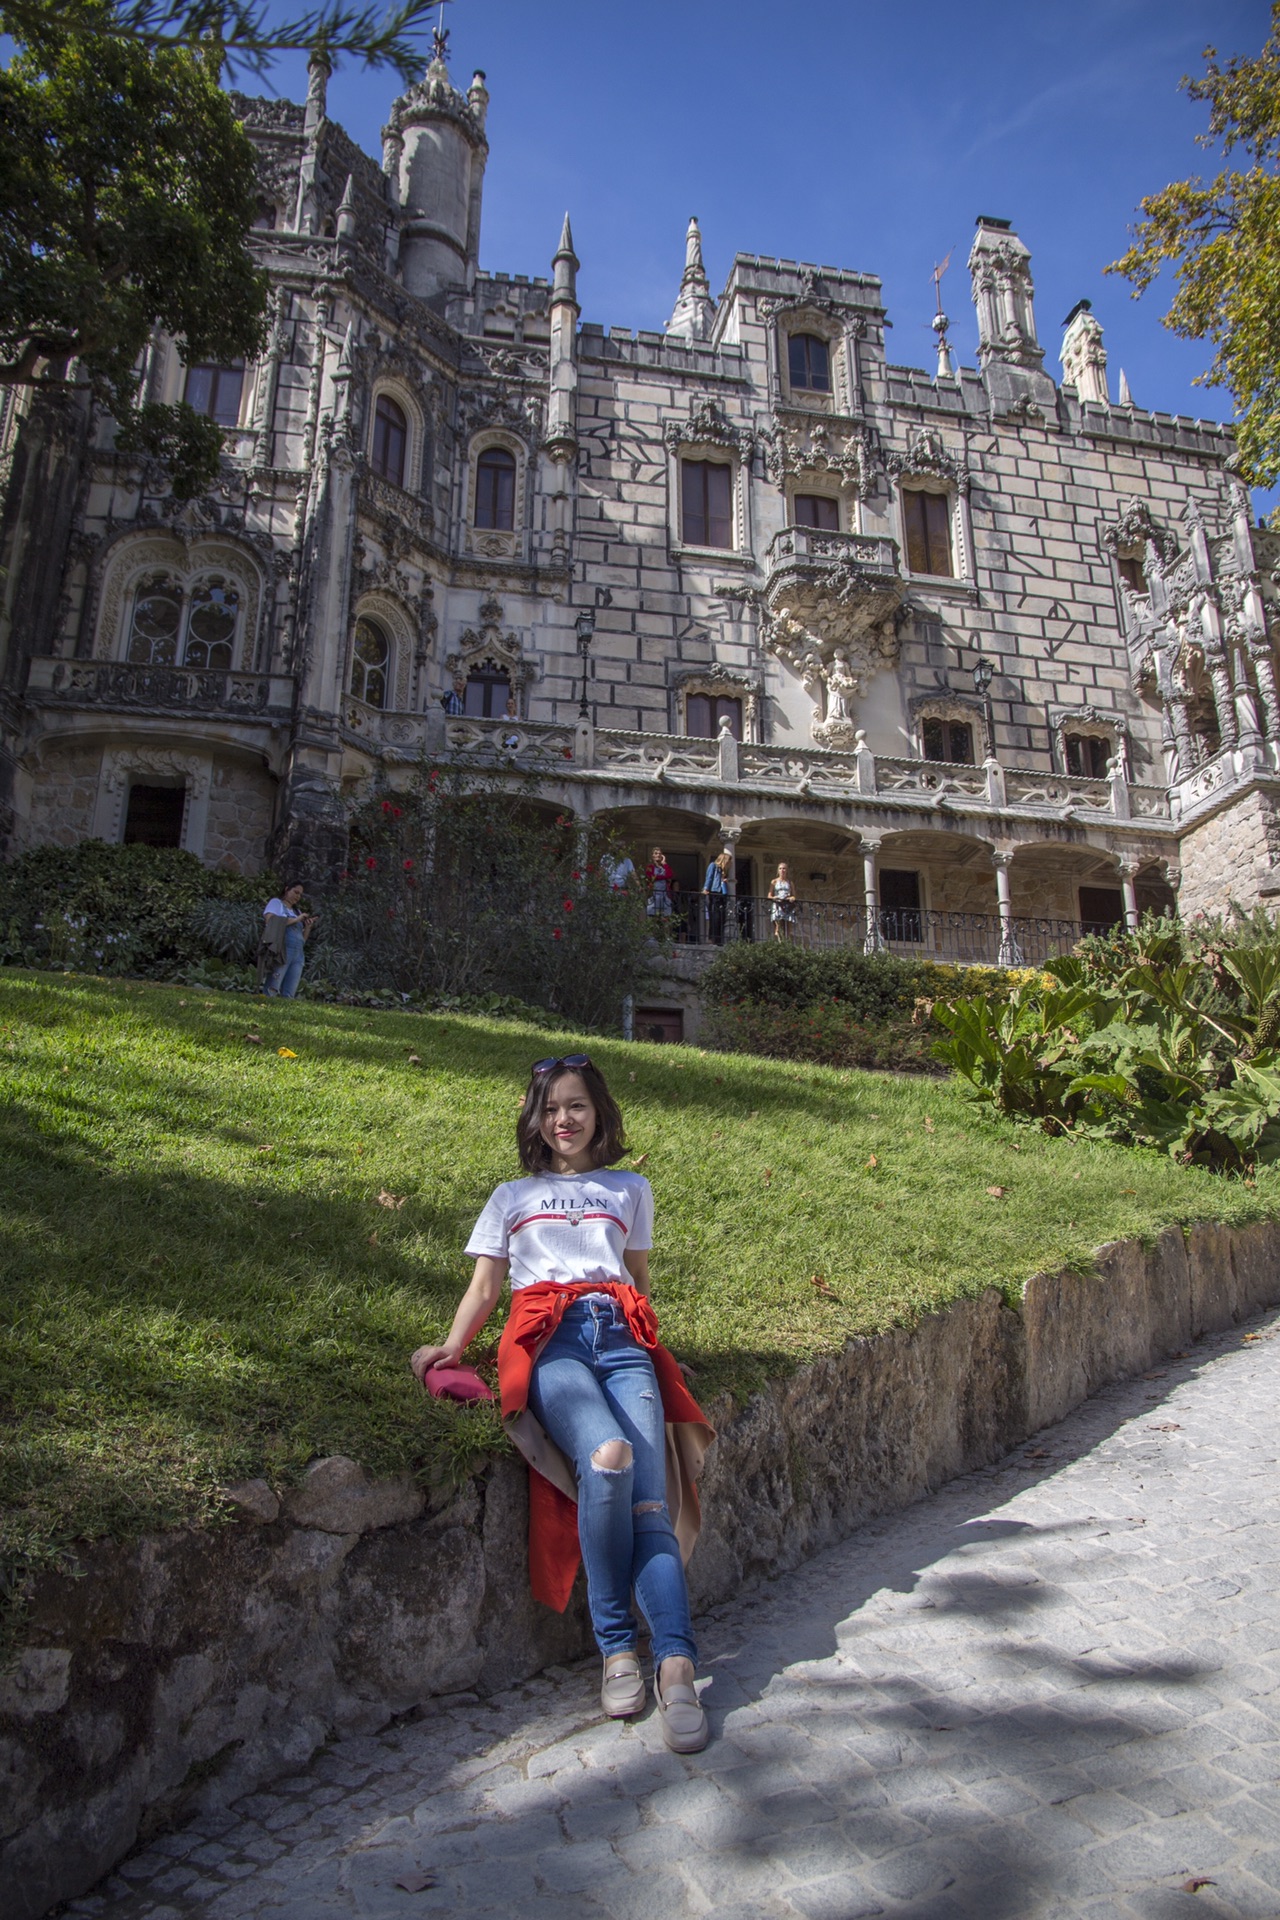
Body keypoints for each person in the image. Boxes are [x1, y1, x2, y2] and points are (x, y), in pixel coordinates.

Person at [409, 1055, 714, 1753]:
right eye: (550, 1110)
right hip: (552, 1341)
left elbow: (635, 1278)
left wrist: (660, 1352)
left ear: (598, 1113)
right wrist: (452, 1348)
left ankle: (675, 1665)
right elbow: (487, 1288)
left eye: (575, 1106)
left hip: (621, 1338)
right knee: (607, 1458)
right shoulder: (512, 1196)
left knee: (648, 1503)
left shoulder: (630, 1187)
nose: (563, 1120)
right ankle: (615, 1648)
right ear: (535, 1122)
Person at [260, 881, 314, 997]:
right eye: (296, 892)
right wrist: (296, 920)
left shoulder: (296, 911)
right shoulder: (276, 903)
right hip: (282, 951)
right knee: (273, 986)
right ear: (287, 889)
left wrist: (308, 928)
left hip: (298, 954)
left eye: (300, 895)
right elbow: (270, 920)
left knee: (290, 991)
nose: (298, 896)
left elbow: (301, 940)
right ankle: (266, 1007)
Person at [702, 849, 731, 945]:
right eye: (728, 861)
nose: (729, 864)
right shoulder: (713, 866)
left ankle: (719, 940)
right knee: (715, 917)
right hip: (714, 894)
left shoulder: (723, 871)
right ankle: (712, 939)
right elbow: (709, 877)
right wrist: (706, 888)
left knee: (721, 918)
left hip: (722, 895)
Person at [768, 860, 797, 941]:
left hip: (787, 904)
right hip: (778, 904)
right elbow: (769, 895)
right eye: (780, 868)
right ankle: (780, 943)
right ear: (778, 870)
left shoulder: (790, 882)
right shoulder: (774, 881)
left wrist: (792, 898)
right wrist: (775, 898)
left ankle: (786, 944)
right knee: (778, 927)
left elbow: (794, 895)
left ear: (787, 870)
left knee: (788, 927)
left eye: (784, 868)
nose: (782, 870)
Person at [645, 846, 675, 919]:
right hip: (653, 895)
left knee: (666, 919)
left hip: (664, 896)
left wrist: (664, 863)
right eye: (656, 853)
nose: (658, 855)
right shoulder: (650, 867)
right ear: (653, 856)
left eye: (659, 853)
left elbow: (670, 875)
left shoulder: (665, 867)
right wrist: (664, 877)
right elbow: (650, 876)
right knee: (652, 918)